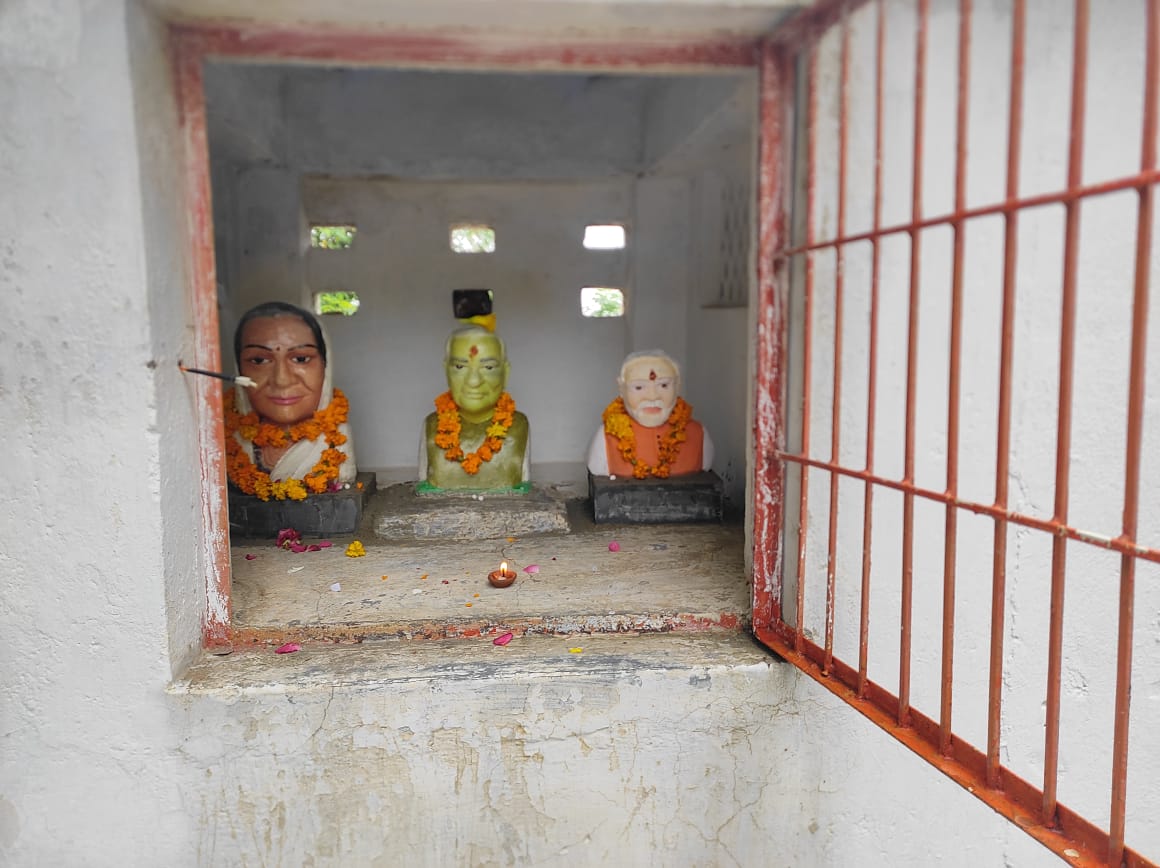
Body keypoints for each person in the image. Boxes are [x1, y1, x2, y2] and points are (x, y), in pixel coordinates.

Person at [224, 301, 357, 501]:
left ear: (325, 366)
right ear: (239, 370)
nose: (282, 380)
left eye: (301, 359)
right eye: (259, 360)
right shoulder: (229, 440)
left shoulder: (336, 443)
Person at [419, 325, 530, 491]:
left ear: (505, 373)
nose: (473, 381)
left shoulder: (519, 427)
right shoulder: (431, 426)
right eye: (459, 367)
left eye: (488, 368)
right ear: (446, 371)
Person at [587, 350, 714, 479]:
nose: (652, 397)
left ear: (677, 387)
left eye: (664, 385)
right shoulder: (606, 438)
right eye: (639, 387)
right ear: (621, 389)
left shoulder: (698, 435)